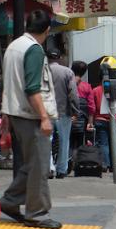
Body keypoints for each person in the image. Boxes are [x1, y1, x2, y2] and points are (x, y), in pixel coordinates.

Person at [0, 9, 63, 229]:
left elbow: (9, 83)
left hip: (17, 114)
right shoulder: (34, 50)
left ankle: (10, 201)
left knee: (30, 164)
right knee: (39, 167)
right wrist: (44, 117)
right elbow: (32, 88)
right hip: (32, 115)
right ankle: (37, 213)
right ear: (47, 30)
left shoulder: (14, 46)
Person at [47, 48, 80, 179]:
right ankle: (62, 169)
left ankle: (49, 167)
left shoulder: (42, 70)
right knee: (64, 140)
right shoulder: (67, 72)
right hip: (63, 111)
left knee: (46, 140)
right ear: (59, 58)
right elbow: (73, 93)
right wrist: (75, 110)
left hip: (45, 111)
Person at [70, 61, 95, 156]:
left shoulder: (67, 83)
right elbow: (91, 106)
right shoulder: (87, 87)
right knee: (80, 141)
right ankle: (78, 161)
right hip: (82, 119)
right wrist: (90, 122)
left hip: (68, 117)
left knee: (68, 140)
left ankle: (67, 162)